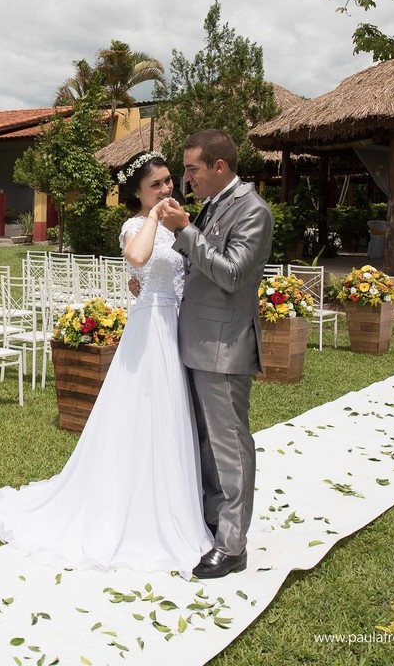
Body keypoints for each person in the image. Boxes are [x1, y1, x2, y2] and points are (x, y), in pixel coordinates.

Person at [0, 152, 212, 573]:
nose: (166, 189)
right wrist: (156, 220)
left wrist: (178, 226)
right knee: (142, 408)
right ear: (137, 193)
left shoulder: (183, 220)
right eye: (155, 185)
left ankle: (175, 499)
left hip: (179, 324)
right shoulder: (133, 226)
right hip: (150, 329)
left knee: (172, 414)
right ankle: (130, 505)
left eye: (167, 181)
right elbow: (138, 260)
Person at [156, 129, 273, 579]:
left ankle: (233, 544)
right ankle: (211, 519)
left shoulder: (253, 211)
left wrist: (185, 230)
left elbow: (231, 274)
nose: (185, 179)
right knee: (204, 441)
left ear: (219, 167)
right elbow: (198, 267)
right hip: (196, 340)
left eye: (192, 169)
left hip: (225, 346)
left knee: (229, 445)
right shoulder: (212, 204)